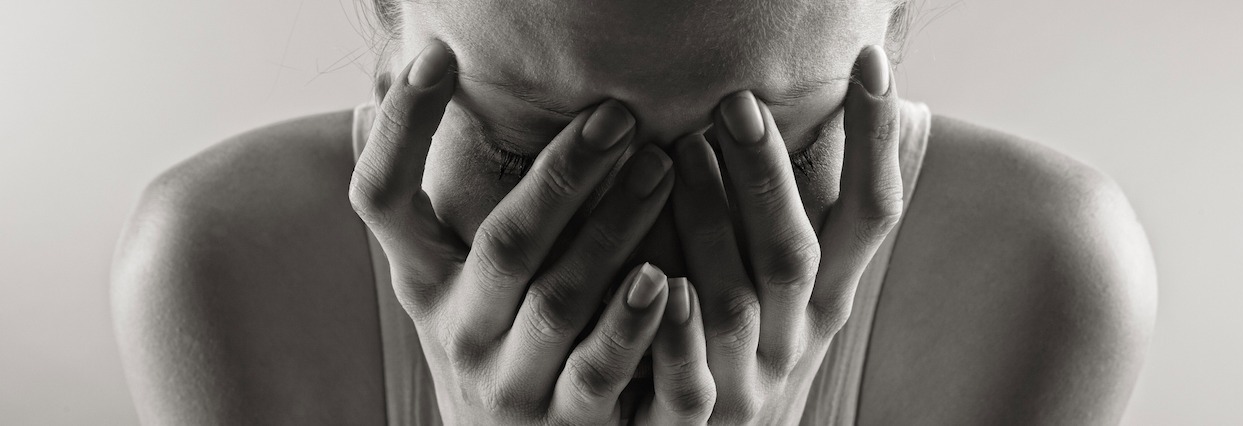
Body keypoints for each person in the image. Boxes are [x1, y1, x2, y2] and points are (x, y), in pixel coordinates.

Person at [110, 0, 1158, 424]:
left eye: (769, 153)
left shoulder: (1038, 269)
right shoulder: (220, 262)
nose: (648, 253)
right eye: (527, 151)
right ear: (393, 23)